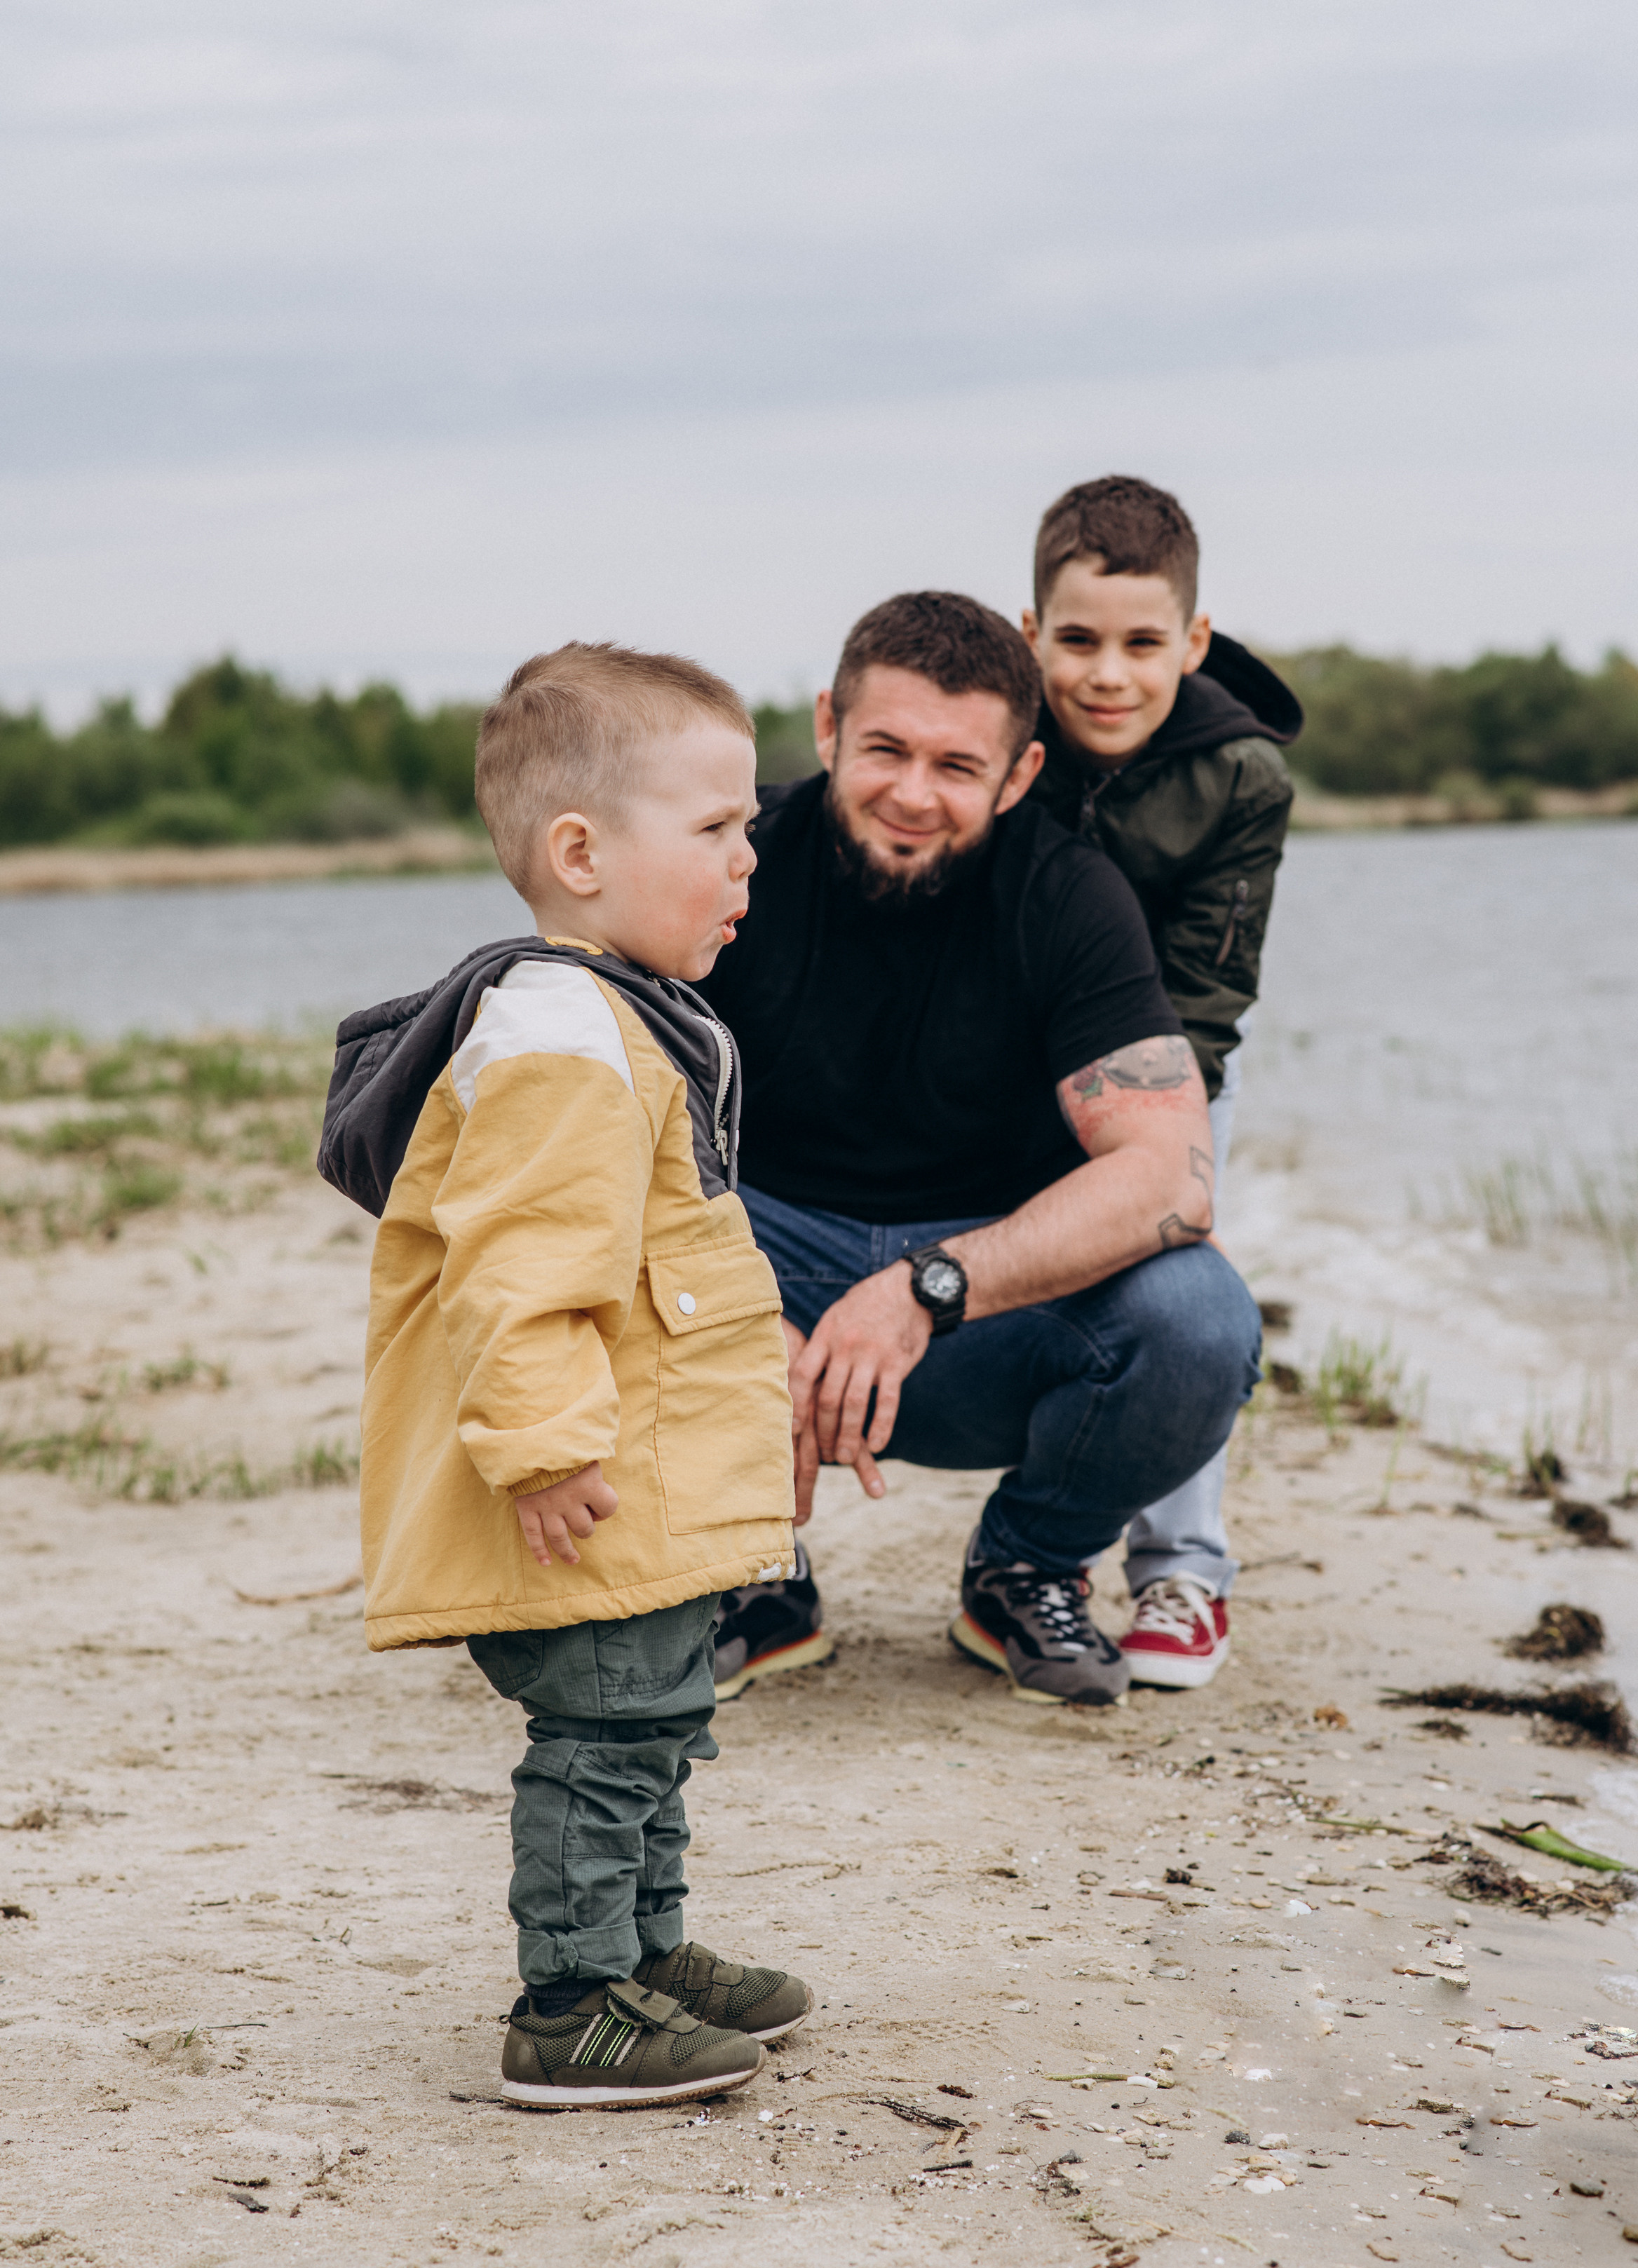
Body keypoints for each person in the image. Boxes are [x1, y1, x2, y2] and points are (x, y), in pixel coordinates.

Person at [321, 643, 813, 2110]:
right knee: (604, 1733)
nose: (748, 856)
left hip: (649, 1488)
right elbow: (524, 1265)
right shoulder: (560, 1036)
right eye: (718, 828)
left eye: (749, 826)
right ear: (580, 852)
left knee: (660, 1717)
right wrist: (541, 1446)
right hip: (592, 1492)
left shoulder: (624, 1013)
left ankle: (644, 1950)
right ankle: (570, 1997)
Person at [704, 592, 1263, 1709]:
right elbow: (603, 1129)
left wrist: (925, 1289)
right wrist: (724, 1305)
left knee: (1201, 1321)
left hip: (978, 1316)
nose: (914, 795)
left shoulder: (1069, 896)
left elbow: (1171, 1176)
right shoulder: (730, 865)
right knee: (570, 1241)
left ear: (1017, 777)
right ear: (826, 727)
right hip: (759, 1270)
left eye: (958, 767)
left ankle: (1025, 1568)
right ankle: (742, 1571)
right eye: (885, 750)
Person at [1019, 476, 1303, 1687]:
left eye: (1144, 644)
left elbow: (1209, 989)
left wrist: (1137, 1145)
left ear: (1192, 641)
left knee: (1175, 1283)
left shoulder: (1242, 777)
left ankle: (1184, 1567)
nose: (1108, 674)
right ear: (1032, 633)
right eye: (1077, 640)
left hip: (1174, 1075)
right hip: (1008, 1066)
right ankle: (1037, 1559)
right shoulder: (998, 735)